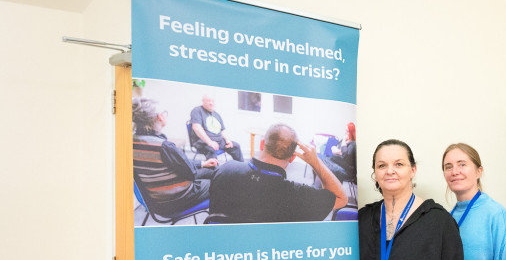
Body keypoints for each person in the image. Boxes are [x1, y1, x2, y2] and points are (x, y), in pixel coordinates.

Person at [206, 123, 348, 223]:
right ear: (293, 157)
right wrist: (316, 162)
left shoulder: (224, 170)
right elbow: (341, 198)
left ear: (262, 144)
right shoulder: (298, 195)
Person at [132, 98, 217, 218]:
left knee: (211, 170)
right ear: (160, 117)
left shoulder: (131, 142)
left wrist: (202, 163)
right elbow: (190, 174)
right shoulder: (163, 146)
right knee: (219, 179)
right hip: (176, 201)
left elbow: (178, 165)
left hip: (155, 202)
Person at [190, 94, 244, 161]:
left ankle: (242, 168)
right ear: (203, 101)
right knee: (211, 150)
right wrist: (210, 142)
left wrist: (227, 140)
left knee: (235, 146)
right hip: (203, 142)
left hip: (219, 141)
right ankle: (214, 170)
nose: (211, 103)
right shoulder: (197, 111)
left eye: (213, 101)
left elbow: (222, 130)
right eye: (208, 101)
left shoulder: (216, 114)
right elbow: (196, 127)